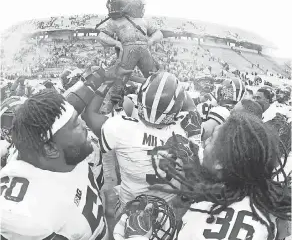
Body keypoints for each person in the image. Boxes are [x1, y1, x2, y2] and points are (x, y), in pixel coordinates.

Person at [114, 112, 291, 240]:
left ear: (220, 163)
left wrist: (138, 237)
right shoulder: (266, 196)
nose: (204, 144)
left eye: (211, 140)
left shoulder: (206, 227)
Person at [80, 71, 202, 219]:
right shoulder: (185, 132)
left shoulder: (118, 127)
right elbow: (191, 108)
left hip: (130, 207)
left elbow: (89, 115)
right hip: (166, 211)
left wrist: (105, 82)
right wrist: (171, 86)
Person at [0, 89, 107, 240]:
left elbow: (64, 114)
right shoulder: (27, 216)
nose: (84, 124)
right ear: (50, 149)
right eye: (76, 124)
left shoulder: (61, 148)